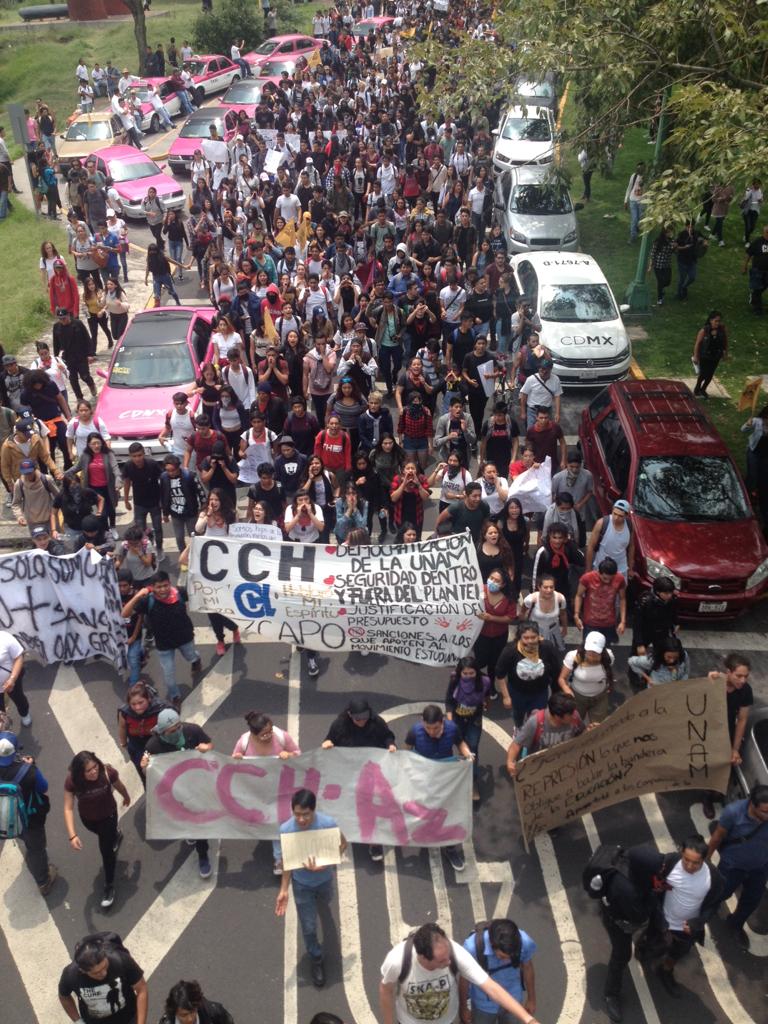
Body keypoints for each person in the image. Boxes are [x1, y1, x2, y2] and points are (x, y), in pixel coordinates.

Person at [379, 922, 539, 1024]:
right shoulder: (398, 960)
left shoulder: (456, 953)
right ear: (423, 957)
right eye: (441, 961)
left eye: (448, 957)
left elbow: (491, 988)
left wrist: (528, 1019)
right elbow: (386, 990)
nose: (449, 962)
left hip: (447, 1020)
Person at [274, 788, 347, 989]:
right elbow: (286, 862)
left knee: (325, 901)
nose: (302, 819)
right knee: (308, 927)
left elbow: (342, 844)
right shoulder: (286, 830)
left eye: (306, 814)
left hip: (324, 880)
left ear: (314, 811)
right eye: (297, 814)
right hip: (302, 886)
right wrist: (284, 889)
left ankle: (322, 906)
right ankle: (316, 959)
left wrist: (329, 861)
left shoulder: (328, 824)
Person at [639, 835, 723, 998]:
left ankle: (665, 971)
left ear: (704, 859)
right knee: (652, 941)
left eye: (695, 863)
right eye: (686, 860)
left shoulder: (713, 878)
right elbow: (654, 882)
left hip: (687, 928)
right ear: (681, 853)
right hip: (661, 920)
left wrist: (698, 922)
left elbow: (714, 905)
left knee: (678, 952)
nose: (690, 866)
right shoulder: (669, 863)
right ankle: (644, 947)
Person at [141, 708, 213, 877]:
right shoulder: (153, 746)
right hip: (176, 791)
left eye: (178, 727)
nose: (177, 732)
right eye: (172, 731)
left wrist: (206, 747)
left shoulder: (192, 731)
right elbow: (149, 772)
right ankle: (190, 832)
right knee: (185, 817)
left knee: (198, 821)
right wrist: (144, 766)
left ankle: (203, 855)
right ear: (162, 731)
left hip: (197, 785)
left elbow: (210, 744)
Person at [322, 697, 396, 860]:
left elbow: (387, 736)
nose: (362, 722)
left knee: (371, 806)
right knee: (347, 806)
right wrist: (327, 743)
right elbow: (329, 739)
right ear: (349, 715)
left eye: (365, 717)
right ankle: (341, 837)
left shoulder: (377, 723)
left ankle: (374, 842)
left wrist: (390, 744)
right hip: (347, 773)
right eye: (358, 719)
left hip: (371, 772)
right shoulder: (339, 726)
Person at [404, 705, 475, 872]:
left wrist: (467, 754)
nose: (431, 732)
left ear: (442, 721)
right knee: (426, 810)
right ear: (422, 722)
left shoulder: (452, 729)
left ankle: (450, 849)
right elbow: (406, 751)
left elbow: (460, 743)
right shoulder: (415, 731)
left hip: (446, 778)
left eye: (435, 728)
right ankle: (427, 834)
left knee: (451, 812)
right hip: (424, 778)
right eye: (427, 728)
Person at [63, 750, 130, 909]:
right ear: (80, 773)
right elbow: (68, 808)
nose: (94, 772)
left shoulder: (107, 772)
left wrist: (126, 796)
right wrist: (72, 836)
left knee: (106, 852)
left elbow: (118, 785)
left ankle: (109, 886)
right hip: (88, 820)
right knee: (105, 837)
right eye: (88, 770)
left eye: (95, 767)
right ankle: (114, 836)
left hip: (108, 817)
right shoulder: (72, 781)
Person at [122, 573, 201, 707]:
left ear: (170, 584)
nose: (163, 590)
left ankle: (196, 660)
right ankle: (175, 696)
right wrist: (137, 596)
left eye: (165, 585)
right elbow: (125, 614)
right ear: (152, 588)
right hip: (164, 645)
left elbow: (199, 594)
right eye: (159, 587)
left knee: (191, 656)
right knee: (168, 677)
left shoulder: (180, 593)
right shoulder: (148, 600)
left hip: (185, 638)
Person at [707, 784, 768, 949]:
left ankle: (735, 924)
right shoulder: (733, 813)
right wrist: (704, 862)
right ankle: (702, 916)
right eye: (764, 812)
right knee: (719, 894)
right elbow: (717, 837)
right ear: (752, 804)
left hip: (760, 867)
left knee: (752, 900)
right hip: (732, 866)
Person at [0, 731, 56, 892]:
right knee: (37, 849)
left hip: (7, 816)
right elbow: (43, 787)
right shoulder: (27, 771)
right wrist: (31, 766)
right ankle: (44, 882)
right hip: (30, 817)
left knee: (23, 836)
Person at [701, 653, 754, 819]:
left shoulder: (745, 691)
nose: (742, 680)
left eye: (746, 676)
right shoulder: (714, 683)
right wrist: (708, 681)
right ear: (728, 672)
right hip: (705, 731)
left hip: (726, 732)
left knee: (722, 767)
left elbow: (742, 720)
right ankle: (707, 798)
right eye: (739, 676)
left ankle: (713, 793)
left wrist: (734, 749)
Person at [58, 933, 148, 1024]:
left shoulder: (121, 960)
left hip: (129, 1018)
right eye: (96, 973)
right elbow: (64, 997)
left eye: (105, 966)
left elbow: (141, 989)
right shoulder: (71, 975)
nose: (103, 973)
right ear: (82, 971)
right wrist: (78, 1021)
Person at [460, 919, 537, 1024]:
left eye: (510, 957)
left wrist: (531, 999)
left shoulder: (525, 943)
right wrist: (463, 1007)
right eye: (501, 957)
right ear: (492, 944)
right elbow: (464, 979)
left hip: (513, 1000)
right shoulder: (472, 948)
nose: (506, 961)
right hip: (483, 1005)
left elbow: (528, 968)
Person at [495, 622, 562, 728]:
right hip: (517, 693)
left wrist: (557, 691)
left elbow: (556, 670)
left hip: (540, 693)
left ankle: (532, 735)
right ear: (519, 637)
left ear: (539, 636)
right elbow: (500, 674)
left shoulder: (547, 647)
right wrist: (506, 697)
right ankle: (518, 728)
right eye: (526, 638)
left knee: (537, 719)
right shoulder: (510, 651)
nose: (530, 641)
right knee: (518, 715)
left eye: (533, 637)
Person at [445, 656, 491, 802]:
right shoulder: (454, 680)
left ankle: (472, 781)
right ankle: (458, 773)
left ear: (477, 672)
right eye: (465, 673)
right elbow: (449, 701)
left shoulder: (485, 681)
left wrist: (485, 703)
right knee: (458, 745)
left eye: (472, 673)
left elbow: (487, 696)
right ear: (460, 673)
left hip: (474, 719)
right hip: (457, 719)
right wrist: (450, 720)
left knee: (472, 748)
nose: (469, 676)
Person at [505, 693, 585, 775]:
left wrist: (590, 730)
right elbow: (516, 744)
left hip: (564, 763)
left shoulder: (575, 716)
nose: (574, 716)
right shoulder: (535, 722)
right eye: (570, 714)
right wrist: (510, 762)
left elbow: (582, 734)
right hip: (540, 767)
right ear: (558, 716)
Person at [118, 680, 169, 782]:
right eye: (133, 704)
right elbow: (122, 727)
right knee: (143, 771)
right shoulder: (125, 713)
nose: (137, 707)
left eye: (141, 702)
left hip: (157, 745)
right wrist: (123, 743)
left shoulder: (159, 709)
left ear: (148, 699)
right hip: (137, 746)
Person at [558, 632, 615, 724]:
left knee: (598, 726)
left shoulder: (608, 656)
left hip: (600, 697)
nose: (592, 655)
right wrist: (568, 691)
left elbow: (608, 670)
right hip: (578, 697)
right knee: (575, 724)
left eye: (596, 653)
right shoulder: (573, 656)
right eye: (589, 651)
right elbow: (561, 679)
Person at [122, 442, 164, 560]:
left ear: (144, 454)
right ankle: (145, 549)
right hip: (139, 503)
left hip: (155, 502)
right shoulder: (128, 466)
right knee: (140, 530)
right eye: (134, 456)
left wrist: (163, 500)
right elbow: (127, 482)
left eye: (139, 455)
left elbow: (162, 481)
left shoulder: (152, 464)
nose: (137, 458)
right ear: (130, 456)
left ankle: (159, 548)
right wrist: (126, 500)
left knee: (158, 528)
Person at [573, 557, 627, 645]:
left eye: (611, 578)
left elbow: (622, 599)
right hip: (590, 623)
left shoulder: (620, 579)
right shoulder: (587, 578)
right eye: (605, 578)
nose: (607, 581)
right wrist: (576, 614)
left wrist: (623, 621)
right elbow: (579, 595)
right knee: (589, 648)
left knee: (606, 649)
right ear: (599, 572)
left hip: (609, 623)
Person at [631, 576, 678, 657]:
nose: (669, 596)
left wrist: (676, 623)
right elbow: (637, 623)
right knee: (636, 657)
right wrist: (639, 644)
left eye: (671, 592)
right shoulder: (645, 602)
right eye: (666, 593)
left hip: (662, 632)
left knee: (661, 656)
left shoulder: (671, 600)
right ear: (658, 592)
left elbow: (673, 613)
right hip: (645, 631)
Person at [585, 499, 634, 577]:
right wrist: (588, 568)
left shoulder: (629, 525)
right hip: (601, 567)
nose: (616, 518)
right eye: (614, 514)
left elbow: (631, 546)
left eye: (620, 516)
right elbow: (590, 546)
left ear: (626, 516)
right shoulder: (601, 523)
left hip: (621, 568)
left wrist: (630, 568)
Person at [158, 980, 234, 1024]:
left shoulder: (214, 1013)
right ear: (174, 1013)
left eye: (193, 1011)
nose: (190, 1019)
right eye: (184, 1015)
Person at [692, 310, 728, 398]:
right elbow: (698, 344)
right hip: (705, 355)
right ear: (711, 320)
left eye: (719, 321)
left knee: (710, 374)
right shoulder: (704, 330)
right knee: (703, 373)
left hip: (716, 355)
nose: (717, 323)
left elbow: (725, 341)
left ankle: (703, 389)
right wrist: (696, 356)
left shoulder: (722, 329)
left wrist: (725, 352)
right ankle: (697, 388)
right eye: (716, 321)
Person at [519, 359, 562, 430]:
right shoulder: (531, 379)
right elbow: (524, 395)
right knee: (531, 431)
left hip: (547, 411)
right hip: (533, 411)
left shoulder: (555, 379)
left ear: (550, 369)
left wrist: (557, 413)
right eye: (542, 369)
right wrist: (523, 412)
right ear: (539, 368)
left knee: (547, 432)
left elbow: (557, 396)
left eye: (546, 369)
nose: (544, 371)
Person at [525, 407, 566, 473]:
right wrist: (531, 461)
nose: (543, 420)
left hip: (553, 463)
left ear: (549, 417)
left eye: (545, 418)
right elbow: (528, 447)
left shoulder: (555, 427)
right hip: (537, 464)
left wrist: (563, 460)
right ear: (537, 417)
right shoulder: (531, 431)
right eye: (541, 418)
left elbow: (563, 443)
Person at [742, 221, 768, 314]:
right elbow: (748, 254)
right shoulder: (757, 242)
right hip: (757, 270)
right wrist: (744, 266)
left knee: (763, 287)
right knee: (757, 288)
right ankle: (757, 308)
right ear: (764, 232)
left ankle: (754, 297)